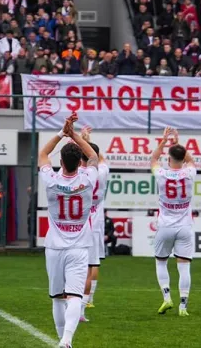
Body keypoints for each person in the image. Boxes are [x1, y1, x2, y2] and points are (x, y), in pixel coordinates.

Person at [38, 112, 99, 348]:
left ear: (61, 162)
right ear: (78, 161)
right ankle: (67, 340)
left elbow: (43, 155)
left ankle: (62, 339)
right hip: (79, 246)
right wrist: (74, 134)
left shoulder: (51, 180)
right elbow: (93, 156)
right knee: (75, 295)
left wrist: (61, 133)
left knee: (57, 297)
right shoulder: (87, 179)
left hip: (55, 246)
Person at [149, 127, 195, 317]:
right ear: (183, 159)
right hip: (184, 226)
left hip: (165, 225)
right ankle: (183, 306)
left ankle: (167, 297)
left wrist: (164, 141)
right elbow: (190, 160)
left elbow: (153, 159)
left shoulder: (161, 173)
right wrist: (177, 142)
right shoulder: (190, 172)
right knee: (184, 266)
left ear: (168, 159)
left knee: (161, 262)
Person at [79, 127, 110, 322]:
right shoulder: (103, 171)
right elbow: (101, 160)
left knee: (75, 267)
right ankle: (85, 304)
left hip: (78, 222)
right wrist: (89, 142)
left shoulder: (78, 173)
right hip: (95, 222)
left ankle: (69, 302)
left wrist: (83, 141)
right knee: (91, 265)